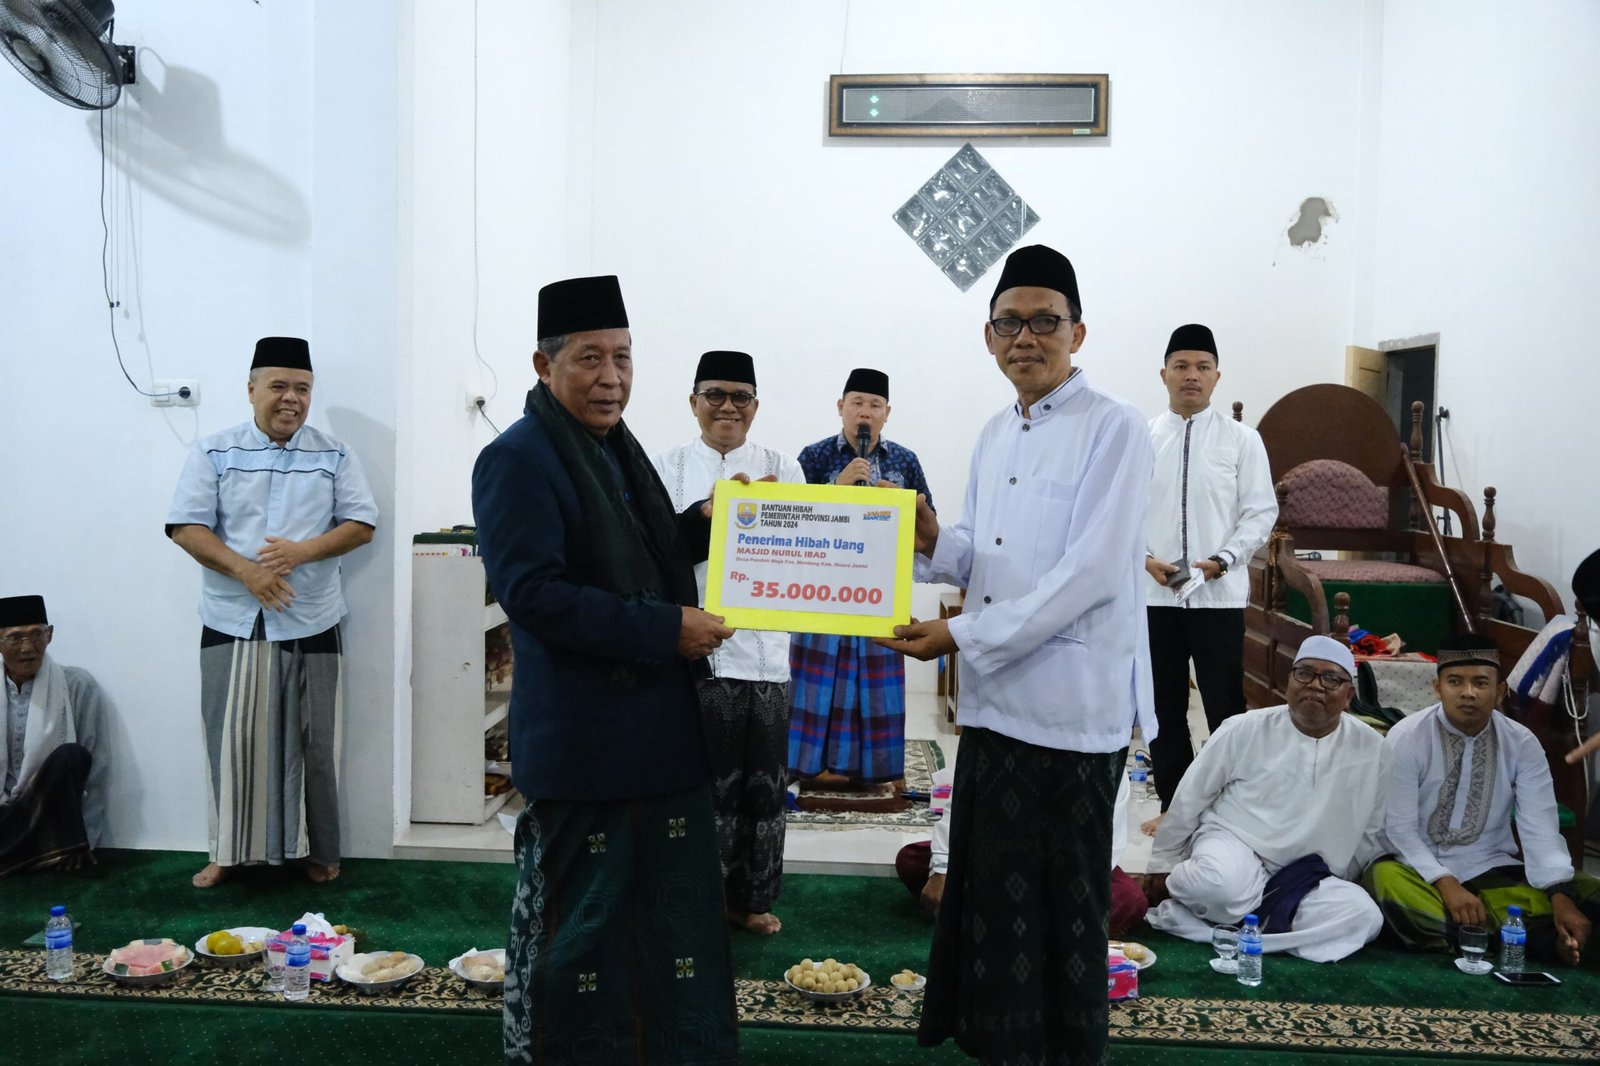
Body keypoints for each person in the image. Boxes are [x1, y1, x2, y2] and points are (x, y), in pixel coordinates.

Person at [880, 244, 1155, 1066]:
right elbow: (987, 556)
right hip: (997, 706)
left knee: (1064, 906)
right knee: (994, 903)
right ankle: (998, 1046)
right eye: (1009, 323)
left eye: (1044, 322)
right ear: (988, 335)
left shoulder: (1115, 427)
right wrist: (933, 539)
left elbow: (1091, 573)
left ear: (1078, 333)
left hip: (1071, 710)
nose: (1025, 337)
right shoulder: (996, 432)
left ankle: (1064, 1053)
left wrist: (958, 636)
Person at [472, 275, 737, 1065]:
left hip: (661, 743)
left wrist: (709, 522)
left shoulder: (614, 448)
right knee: (579, 939)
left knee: (669, 933)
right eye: (590, 358)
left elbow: (643, 555)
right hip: (587, 750)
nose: (612, 377)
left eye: (623, 357)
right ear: (544, 363)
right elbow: (535, 595)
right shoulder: (516, 459)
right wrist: (666, 629)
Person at [167, 337, 376, 888]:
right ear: (251, 389)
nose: (291, 398)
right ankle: (227, 852)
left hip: (313, 617)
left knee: (316, 744)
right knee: (230, 741)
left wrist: (301, 552)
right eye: (278, 386)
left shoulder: (335, 455)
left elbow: (361, 524)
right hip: (231, 617)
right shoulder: (214, 452)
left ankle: (318, 851)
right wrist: (247, 571)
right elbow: (185, 527)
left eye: (302, 389)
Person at [652, 349, 804, 937]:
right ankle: (693, 898)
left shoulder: (782, 468)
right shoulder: (663, 468)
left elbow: (802, 551)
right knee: (698, 787)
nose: (727, 407)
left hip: (765, 652)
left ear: (756, 406)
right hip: (694, 653)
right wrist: (709, 514)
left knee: (763, 788)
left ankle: (750, 899)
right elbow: (654, 552)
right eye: (714, 394)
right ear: (693, 402)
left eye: (741, 397)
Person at [1146, 635, 1389, 962]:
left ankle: (1231, 928)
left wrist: (1343, 879)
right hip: (1236, 847)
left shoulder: (1373, 748)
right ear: (1289, 681)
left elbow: (1372, 827)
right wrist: (1163, 863)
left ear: (1349, 695)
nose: (1315, 685)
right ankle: (1271, 924)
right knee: (1216, 886)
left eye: (1331, 679)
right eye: (1304, 673)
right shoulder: (1244, 728)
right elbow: (1191, 797)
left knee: (1364, 916)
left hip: (1306, 874)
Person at [1367, 634, 1600, 964]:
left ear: (1500, 691)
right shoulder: (1407, 736)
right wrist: (1445, 882)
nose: (1468, 692)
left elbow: (1540, 828)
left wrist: (1561, 897)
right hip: (1416, 868)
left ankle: (1495, 932)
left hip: (1489, 865)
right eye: (1455, 682)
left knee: (1590, 894)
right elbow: (1398, 830)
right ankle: (1535, 938)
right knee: (1386, 884)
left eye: (1480, 682)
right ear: (1437, 688)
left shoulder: (1521, 743)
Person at [1142, 324, 1277, 834]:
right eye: (1181, 366)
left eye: (1202, 367)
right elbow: (1121, 513)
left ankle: (1228, 809)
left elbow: (1260, 513)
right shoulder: (1142, 439)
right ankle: (1175, 807)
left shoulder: (1243, 441)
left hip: (1218, 596)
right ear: (1163, 374)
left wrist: (1224, 559)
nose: (1191, 376)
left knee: (1226, 707)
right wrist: (1144, 559)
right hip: (1155, 595)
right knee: (1163, 707)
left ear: (1217, 376)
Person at [788, 368, 933, 785]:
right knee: (818, 683)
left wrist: (900, 506)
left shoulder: (905, 461)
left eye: (874, 405)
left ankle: (875, 770)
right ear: (841, 408)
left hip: (879, 589)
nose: (865, 412)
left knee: (874, 686)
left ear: (887, 412)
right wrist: (836, 488)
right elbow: (794, 521)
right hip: (822, 591)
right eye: (856, 403)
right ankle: (809, 766)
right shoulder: (813, 457)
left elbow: (929, 524)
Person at [896, 767, 1149, 937]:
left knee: (1129, 900)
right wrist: (942, 868)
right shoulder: (1009, 725)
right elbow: (962, 803)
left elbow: (1103, 853)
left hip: (1067, 876)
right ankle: (1027, 925)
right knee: (913, 860)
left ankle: (994, 918)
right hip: (997, 858)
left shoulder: (1106, 753)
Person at [0, 595, 109, 876]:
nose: (28, 647)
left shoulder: (77, 685)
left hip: (47, 814)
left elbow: (95, 771)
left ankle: (49, 849)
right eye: (15, 638)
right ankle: (32, 854)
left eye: (36, 635)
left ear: (49, 635)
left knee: (71, 756)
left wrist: (81, 840)